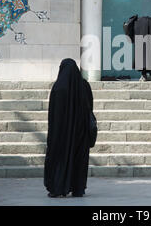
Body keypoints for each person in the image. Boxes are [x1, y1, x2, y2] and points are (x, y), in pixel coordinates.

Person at [44, 58, 93, 198]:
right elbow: (90, 109)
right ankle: (78, 188)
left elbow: (54, 116)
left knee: (60, 159)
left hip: (61, 134)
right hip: (81, 134)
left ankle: (57, 187)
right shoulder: (84, 86)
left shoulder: (59, 88)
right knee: (79, 161)